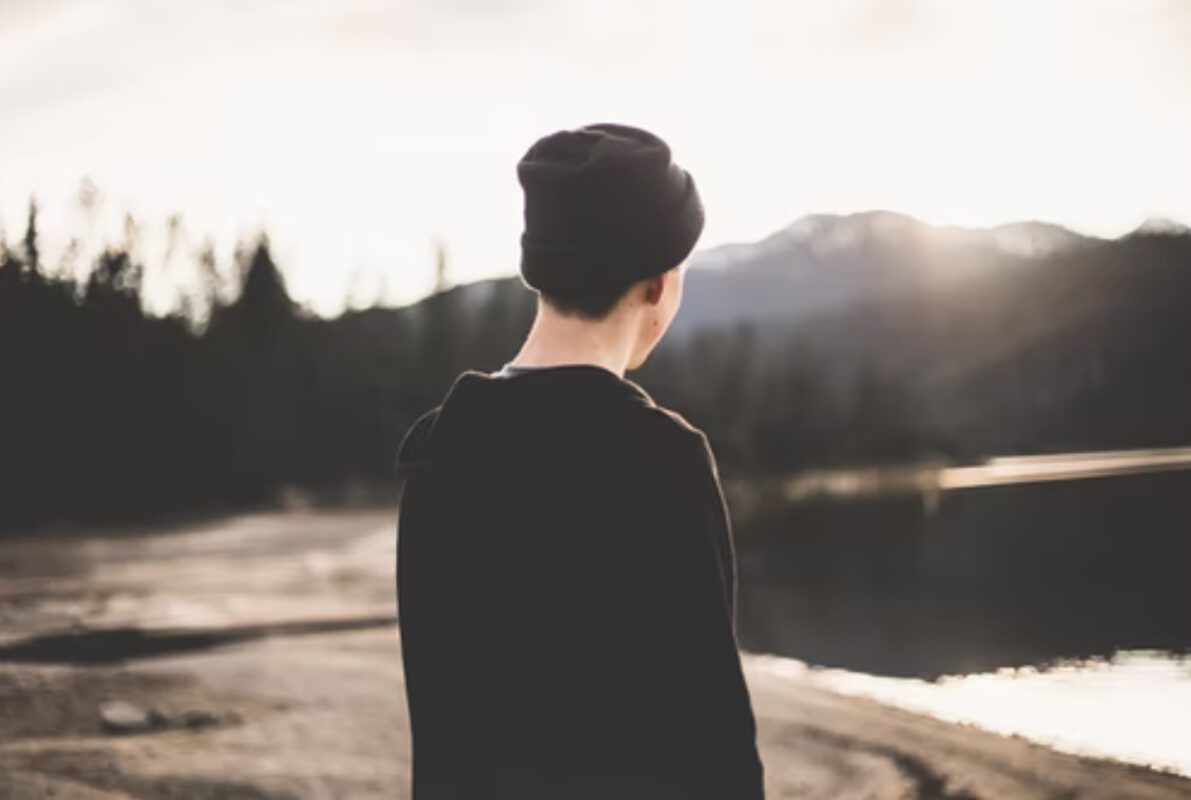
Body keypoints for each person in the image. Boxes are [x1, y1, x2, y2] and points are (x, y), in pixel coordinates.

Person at [394, 123, 765, 799]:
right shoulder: (662, 460)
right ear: (658, 284)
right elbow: (713, 746)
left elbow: (443, 725)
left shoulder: (440, 448)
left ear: (540, 274)